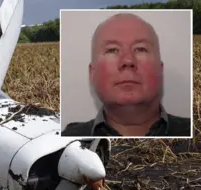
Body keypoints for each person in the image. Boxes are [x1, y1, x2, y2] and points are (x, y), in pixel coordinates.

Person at [62, 13, 191, 137]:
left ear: (160, 69)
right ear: (92, 73)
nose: (128, 61)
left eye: (140, 49)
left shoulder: (195, 131)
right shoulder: (65, 141)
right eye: (112, 50)